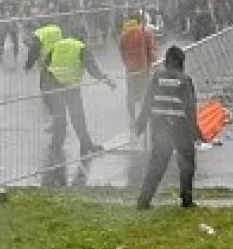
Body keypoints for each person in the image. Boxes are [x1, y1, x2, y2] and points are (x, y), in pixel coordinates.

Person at [135, 45, 199, 210]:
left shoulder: (157, 77)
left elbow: (148, 101)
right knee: (186, 162)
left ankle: (144, 200)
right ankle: (186, 200)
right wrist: (195, 131)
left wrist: (141, 123)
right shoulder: (184, 80)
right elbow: (190, 108)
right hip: (179, 127)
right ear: (180, 62)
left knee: (157, 164)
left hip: (159, 126)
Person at [43, 28, 115, 156]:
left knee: (60, 116)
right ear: (83, 37)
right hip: (70, 85)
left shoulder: (58, 44)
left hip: (52, 83)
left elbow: (46, 64)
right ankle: (85, 145)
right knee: (77, 116)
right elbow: (93, 69)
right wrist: (107, 80)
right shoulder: (81, 48)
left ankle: (56, 145)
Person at [118, 12, 157, 132]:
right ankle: (144, 119)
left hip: (130, 70)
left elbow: (122, 52)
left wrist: (128, 63)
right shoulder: (146, 33)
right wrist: (153, 63)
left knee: (131, 94)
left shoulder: (123, 35)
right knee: (144, 93)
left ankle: (132, 118)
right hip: (144, 69)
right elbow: (152, 53)